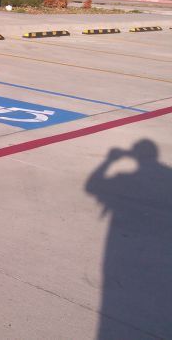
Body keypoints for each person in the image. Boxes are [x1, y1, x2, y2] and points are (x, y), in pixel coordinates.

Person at [85, 139, 172, 338]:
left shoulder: (125, 178)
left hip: (124, 246)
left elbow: (91, 186)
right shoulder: (168, 175)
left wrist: (108, 160)